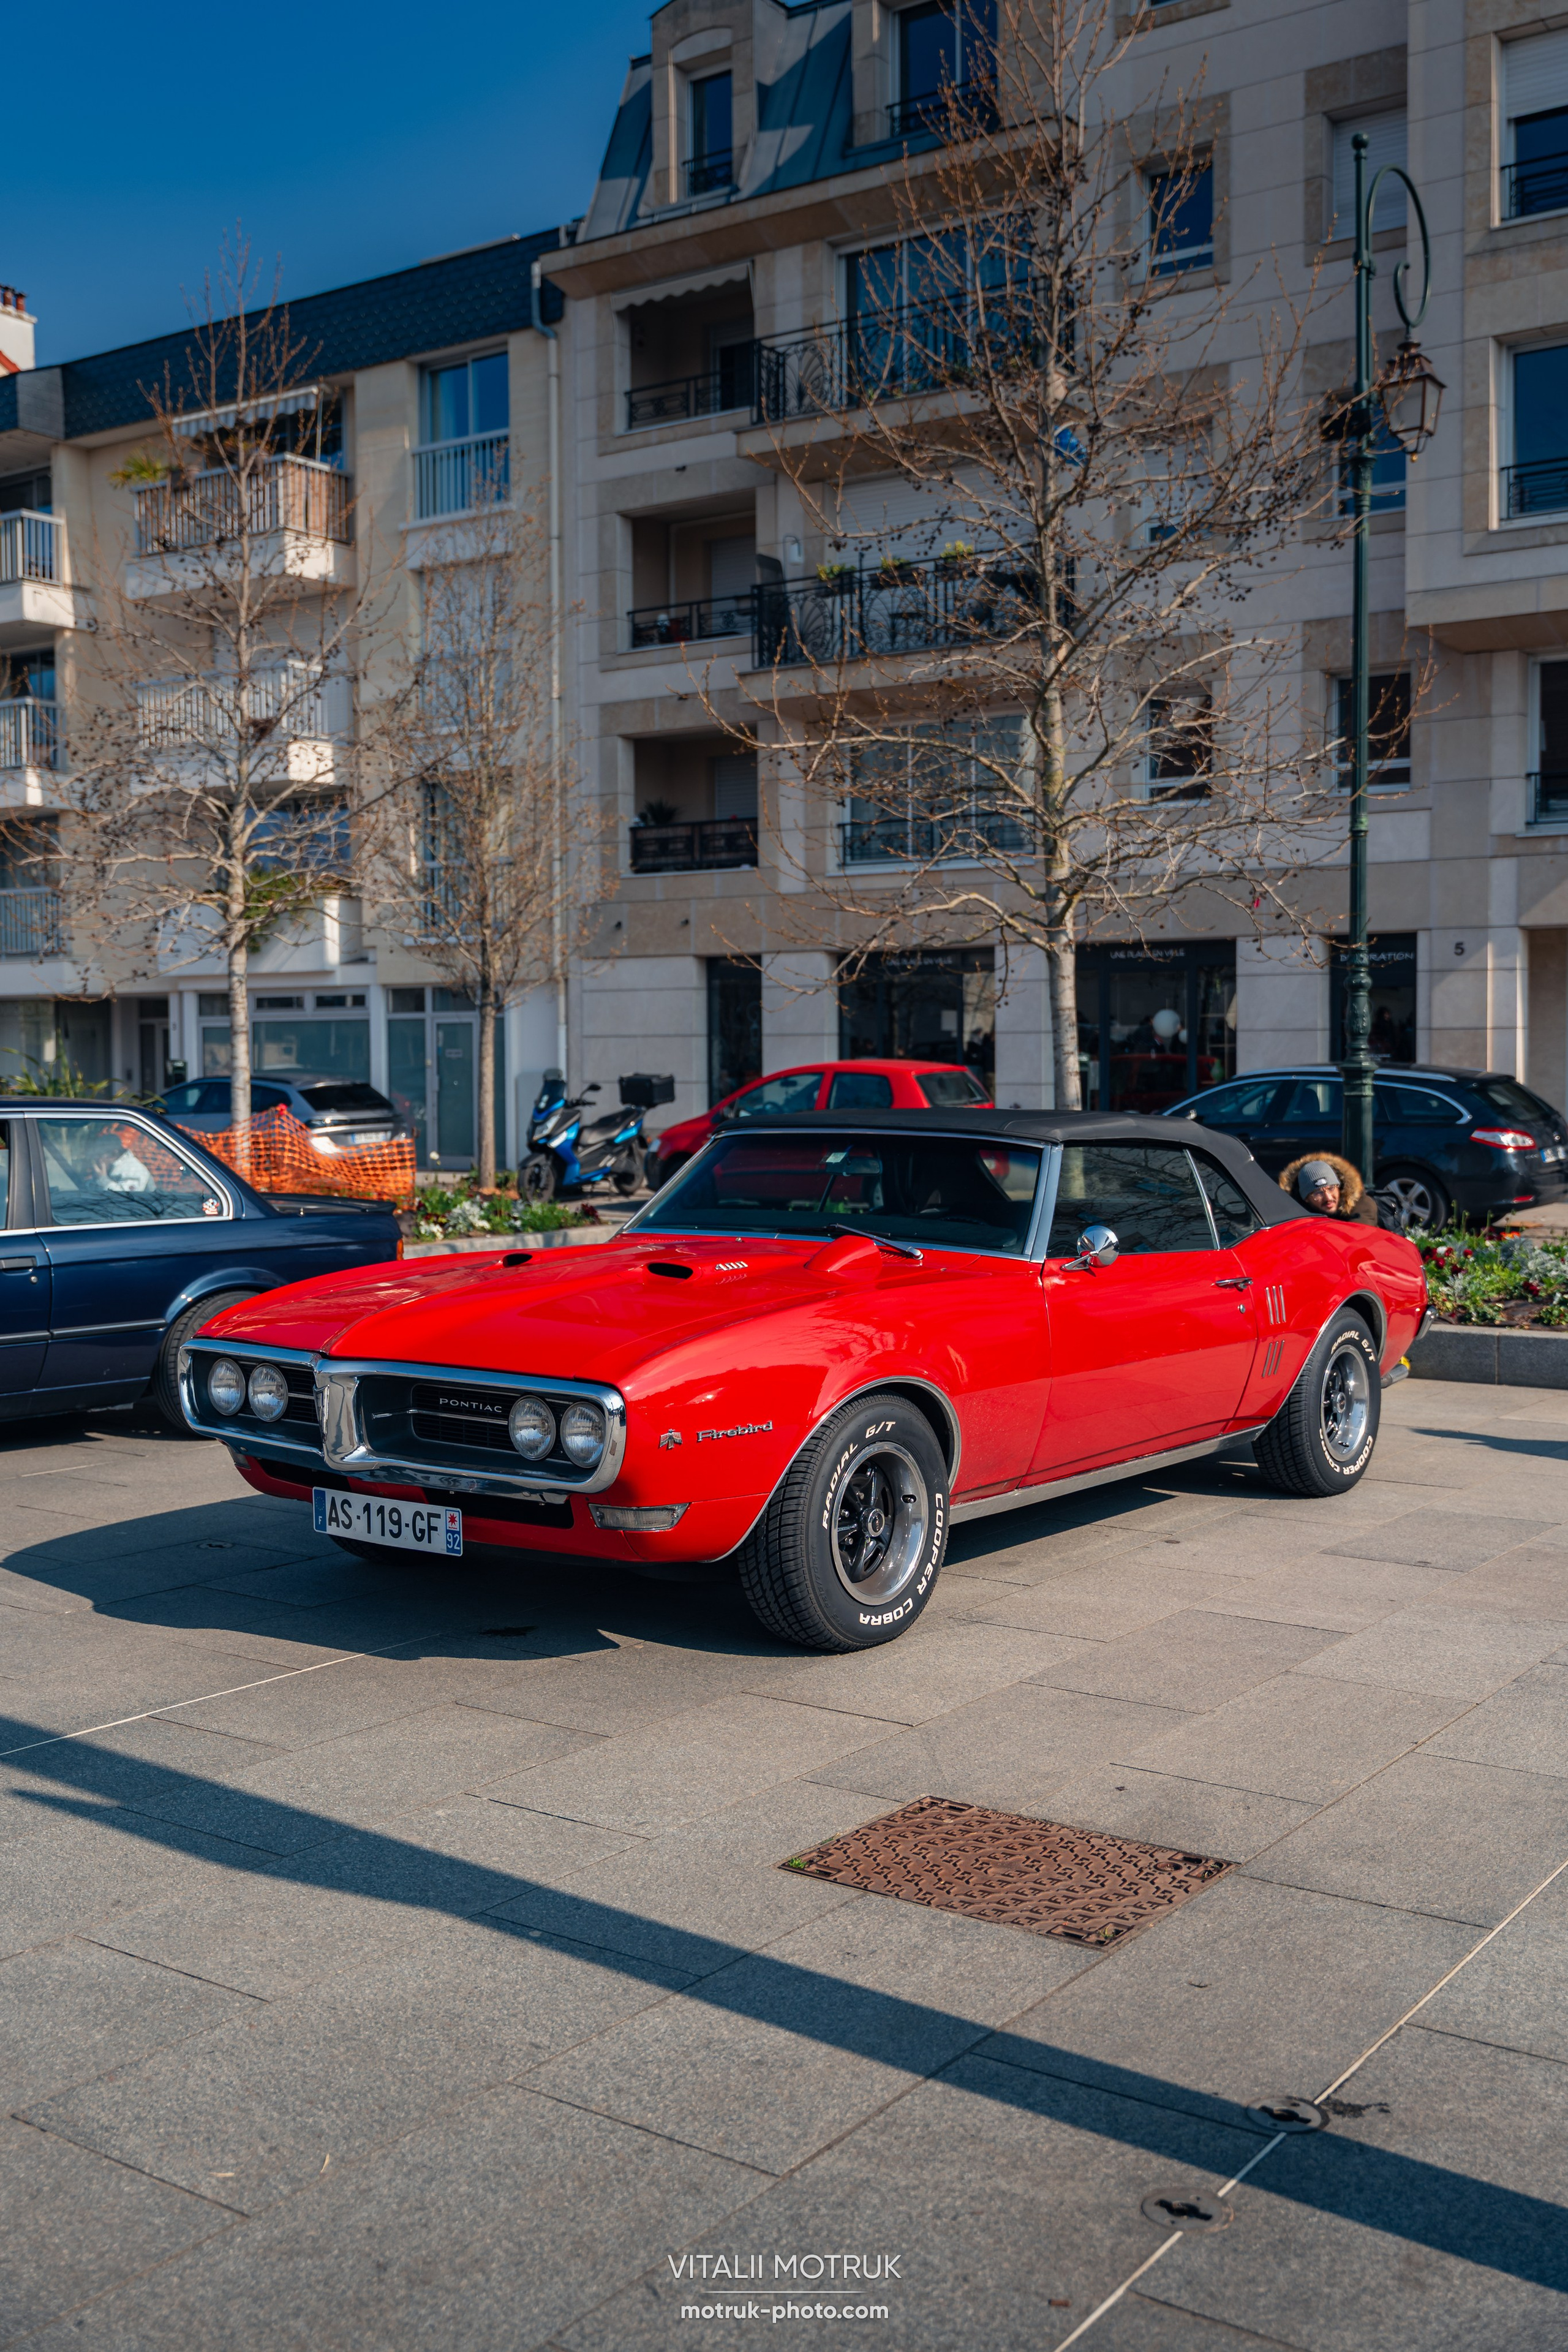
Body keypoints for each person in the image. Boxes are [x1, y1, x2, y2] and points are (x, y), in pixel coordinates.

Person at [1279, 1153, 1379, 1225]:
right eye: (1318, 1193)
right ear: (1306, 1199)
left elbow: (1358, 1236)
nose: (1328, 1198)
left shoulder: (1361, 1204)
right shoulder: (1293, 1216)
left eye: (1331, 1188)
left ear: (1339, 1187)